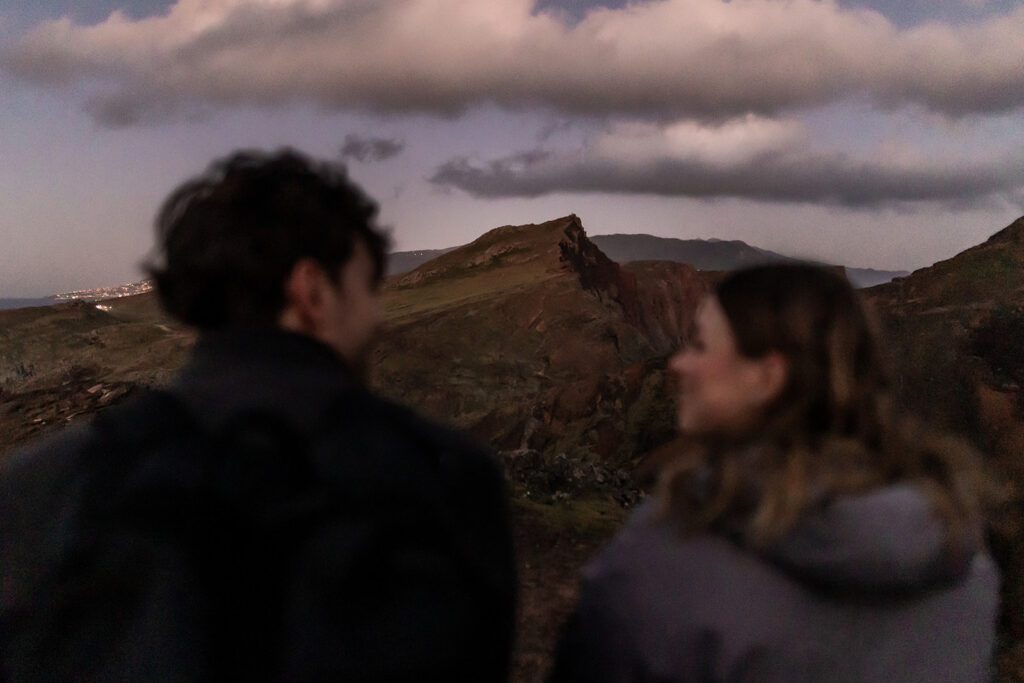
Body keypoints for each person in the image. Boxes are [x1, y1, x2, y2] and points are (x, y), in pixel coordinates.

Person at [0, 149, 515, 681]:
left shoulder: (36, 492)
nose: (378, 319)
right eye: (367, 290)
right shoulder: (447, 481)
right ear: (312, 291)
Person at [549, 264, 1000, 682]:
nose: (677, 363)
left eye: (700, 345)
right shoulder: (963, 565)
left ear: (766, 377)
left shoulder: (668, 559)